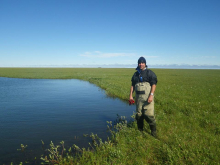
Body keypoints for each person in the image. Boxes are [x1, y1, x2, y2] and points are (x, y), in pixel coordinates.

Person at [129, 56, 158, 137]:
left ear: (145, 64)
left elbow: (154, 84)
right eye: (139, 63)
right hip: (139, 99)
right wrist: (131, 95)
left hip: (148, 98)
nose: (141, 64)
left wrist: (151, 95)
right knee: (139, 115)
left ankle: (153, 132)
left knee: (149, 115)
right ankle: (140, 131)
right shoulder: (135, 74)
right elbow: (132, 85)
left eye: (142, 63)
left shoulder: (150, 73)